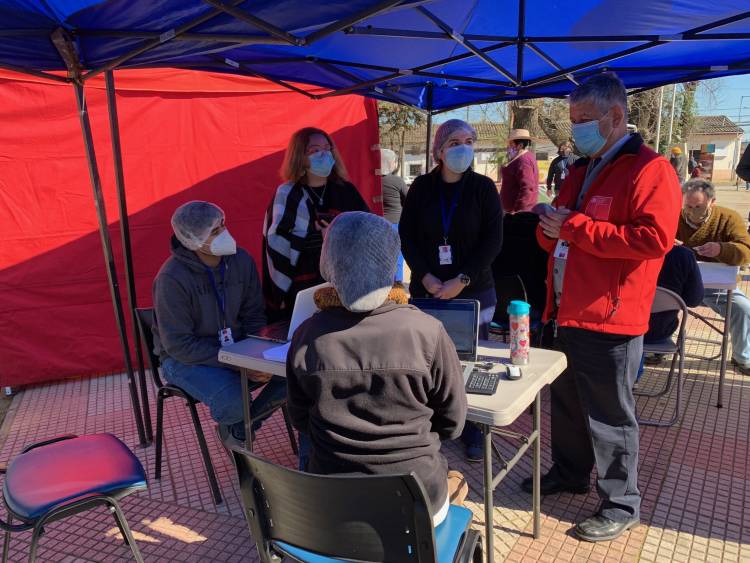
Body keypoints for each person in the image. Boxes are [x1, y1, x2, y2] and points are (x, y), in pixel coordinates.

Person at [526, 72, 681, 542]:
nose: (576, 130)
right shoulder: (579, 168)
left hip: (611, 318)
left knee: (611, 415)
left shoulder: (650, 170)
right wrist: (549, 227)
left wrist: (573, 229)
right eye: (573, 121)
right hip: (567, 311)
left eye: (584, 120)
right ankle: (571, 471)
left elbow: (654, 241)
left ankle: (621, 502)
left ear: (616, 117)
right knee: (568, 404)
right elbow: (559, 227)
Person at [286, 212, 469, 527]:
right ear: (391, 262)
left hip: (334, 506)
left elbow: (301, 419)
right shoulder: (428, 331)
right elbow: (453, 424)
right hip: (416, 503)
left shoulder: (306, 335)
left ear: (328, 262)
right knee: (458, 482)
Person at [399, 118, 503, 462]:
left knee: (474, 362)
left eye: (469, 140)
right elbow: (407, 236)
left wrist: (463, 280)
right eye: (455, 141)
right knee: (429, 361)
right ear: (439, 151)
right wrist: (426, 276)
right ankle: (434, 423)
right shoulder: (421, 188)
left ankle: (474, 427)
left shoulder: (484, 188)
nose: (464, 147)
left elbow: (493, 241)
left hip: (474, 291)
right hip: (428, 290)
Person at [152, 201, 287, 445]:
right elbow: (179, 346)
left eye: (223, 225)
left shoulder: (241, 260)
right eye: (215, 231)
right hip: (186, 360)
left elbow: (255, 316)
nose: (224, 233)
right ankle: (240, 430)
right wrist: (237, 364)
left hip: (237, 350)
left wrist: (256, 358)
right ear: (193, 240)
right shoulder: (171, 279)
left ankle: (240, 431)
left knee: (297, 374)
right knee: (234, 402)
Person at [262, 127, 370, 322]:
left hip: (343, 284)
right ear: (300, 156)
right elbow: (276, 242)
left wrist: (334, 235)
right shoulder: (287, 194)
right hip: (301, 288)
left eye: (327, 148)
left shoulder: (346, 191)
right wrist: (317, 237)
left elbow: (367, 229)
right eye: (314, 150)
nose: (323, 154)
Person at [678, 178, 750, 374]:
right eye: (688, 206)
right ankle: (658, 343)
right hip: (681, 284)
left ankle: (742, 356)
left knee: (743, 309)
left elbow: (746, 251)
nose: (692, 213)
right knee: (655, 301)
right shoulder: (675, 216)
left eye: (698, 206)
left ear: (712, 201)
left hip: (717, 285)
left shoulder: (729, 218)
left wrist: (721, 249)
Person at [636, 244, 704, 380]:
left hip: (615, 329)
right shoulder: (682, 255)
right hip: (658, 332)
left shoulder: (619, 246)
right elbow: (693, 300)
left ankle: (632, 376)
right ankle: (633, 377)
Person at [500, 128, 539, 213]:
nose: (508, 147)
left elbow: (527, 187)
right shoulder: (520, 158)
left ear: (520, 145)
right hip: (512, 209)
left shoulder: (523, 160)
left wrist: (517, 210)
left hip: (517, 212)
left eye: (511, 144)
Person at [380, 148, 409, 223]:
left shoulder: (371, 182)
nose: (395, 164)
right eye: (394, 162)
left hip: (377, 222)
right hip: (396, 222)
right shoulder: (397, 181)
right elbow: (409, 200)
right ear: (389, 163)